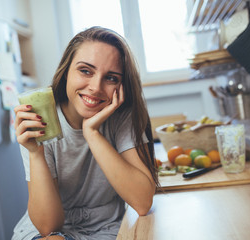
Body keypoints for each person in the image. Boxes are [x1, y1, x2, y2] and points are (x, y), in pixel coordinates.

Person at [12, 26, 159, 240]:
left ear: (121, 85)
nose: (96, 87)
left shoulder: (122, 117)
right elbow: (48, 227)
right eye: (85, 71)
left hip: (106, 228)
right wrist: (35, 153)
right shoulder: (41, 118)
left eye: (111, 78)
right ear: (66, 71)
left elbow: (142, 202)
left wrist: (91, 133)